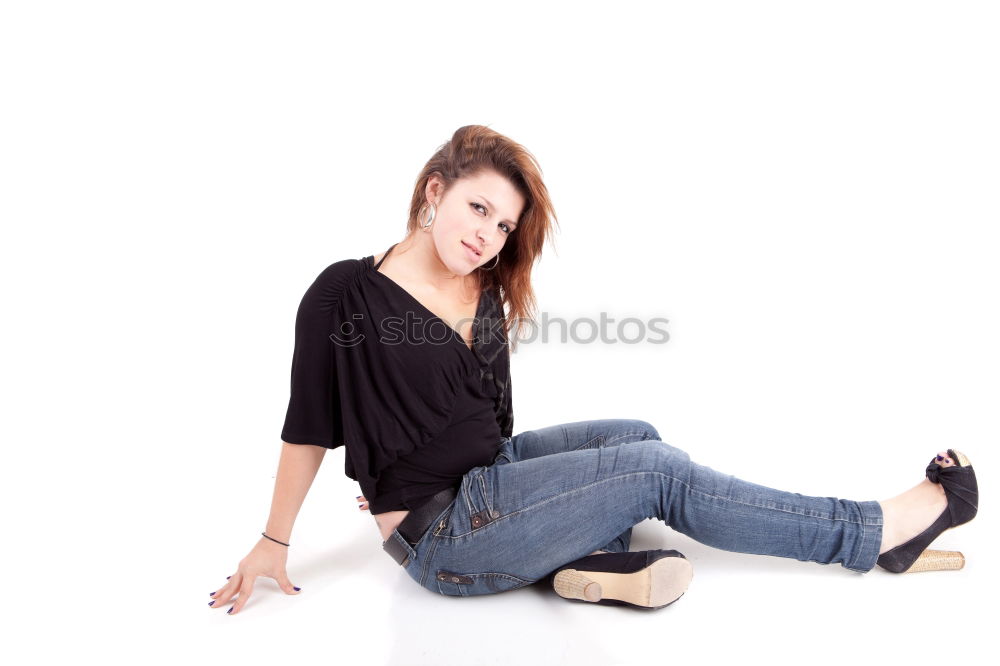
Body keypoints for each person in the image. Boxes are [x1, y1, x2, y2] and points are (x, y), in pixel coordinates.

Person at [207, 125, 979, 615]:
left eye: (503, 226)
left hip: (487, 480)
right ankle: (871, 532)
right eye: (478, 209)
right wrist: (274, 540)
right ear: (434, 193)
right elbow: (307, 426)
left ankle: (588, 564)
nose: (488, 236)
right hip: (445, 536)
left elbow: (487, 423)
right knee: (653, 472)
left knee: (639, 435)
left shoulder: (481, 290)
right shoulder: (342, 292)